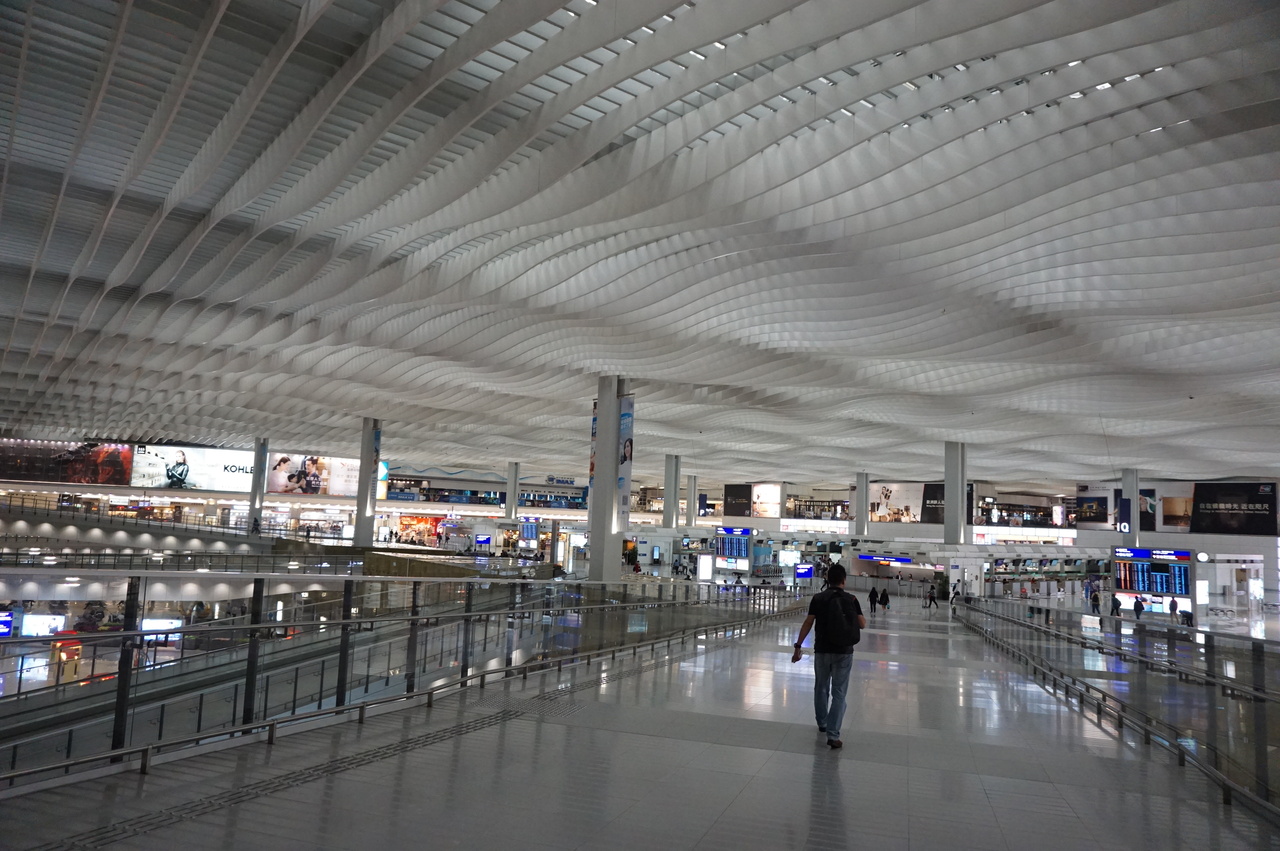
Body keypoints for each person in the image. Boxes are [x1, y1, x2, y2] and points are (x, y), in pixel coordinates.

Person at [791, 564, 865, 750]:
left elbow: (808, 622)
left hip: (822, 649)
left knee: (821, 687)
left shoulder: (818, 598)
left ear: (827, 579)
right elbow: (862, 624)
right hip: (844, 652)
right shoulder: (851, 599)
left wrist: (798, 646)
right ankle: (833, 734)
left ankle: (822, 723)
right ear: (843, 580)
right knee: (839, 692)